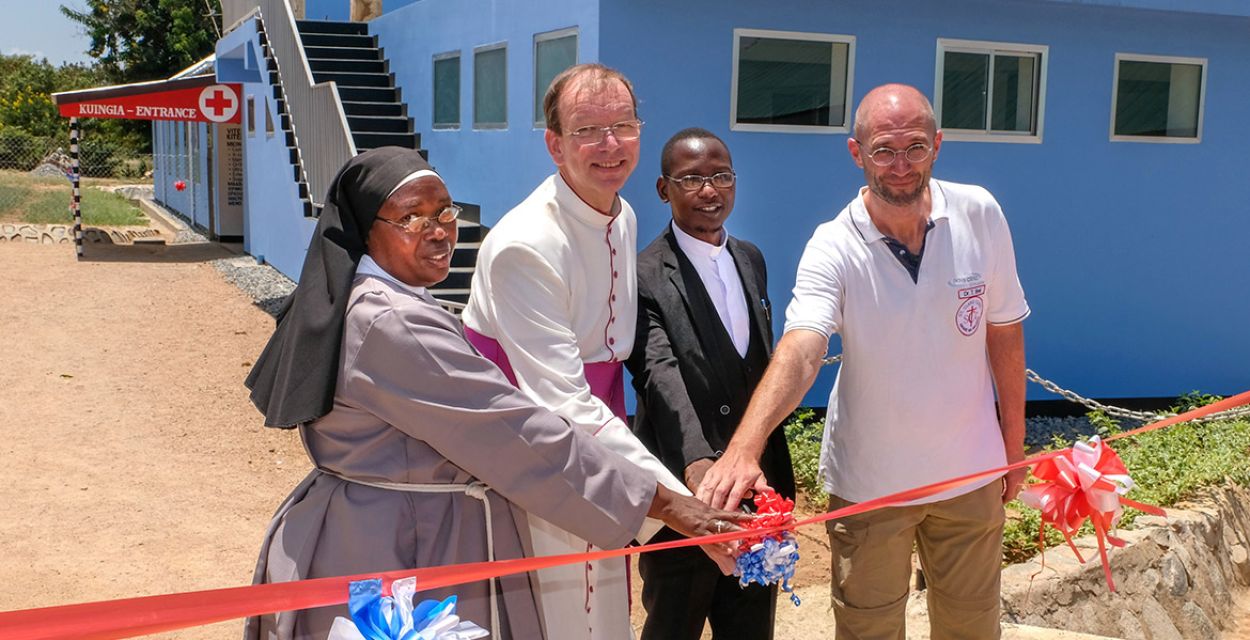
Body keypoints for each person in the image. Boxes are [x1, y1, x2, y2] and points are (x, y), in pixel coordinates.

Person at [242, 147, 745, 640]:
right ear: (364, 231)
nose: (438, 230)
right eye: (411, 218)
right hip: (404, 543)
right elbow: (518, 435)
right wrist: (668, 505)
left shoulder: (380, 300)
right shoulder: (392, 321)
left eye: (443, 211)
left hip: (377, 523)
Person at [697, 84, 1030, 639]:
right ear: (857, 153)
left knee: (973, 629)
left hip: (969, 475)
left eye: (915, 148)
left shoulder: (980, 213)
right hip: (871, 486)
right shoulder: (833, 245)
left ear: (938, 145)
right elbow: (804, 347)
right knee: (867, 632)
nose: (900, 165)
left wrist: (1012, 449)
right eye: (883, 150)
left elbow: (1005, 332)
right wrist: (743, 448)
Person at [460, 63, 691, 640]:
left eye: (623, 125)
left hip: (600, 426)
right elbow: (563, 399)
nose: (609, 145)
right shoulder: (525, 244)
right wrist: (681, 502)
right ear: (555, 145)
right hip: (532, 442)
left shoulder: (624, 213)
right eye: (588, 130)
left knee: (604, 599)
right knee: (559, 608)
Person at [626, 128, 796, 640]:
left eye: (721, 176)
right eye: (692, 179)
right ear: (663, 189)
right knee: (673, 623)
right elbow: (659, 374)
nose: (709, 190)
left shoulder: (751, 258)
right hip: (683, 489)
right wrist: (700, 469)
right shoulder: (643, 274)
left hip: (758, 486)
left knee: (750, 627)